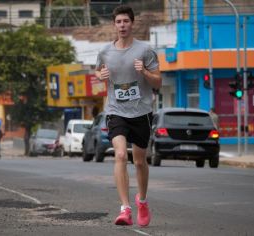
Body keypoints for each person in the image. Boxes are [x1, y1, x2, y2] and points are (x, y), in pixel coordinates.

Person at [95, 5, 162, 227]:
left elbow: (158, 82)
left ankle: (142, 201)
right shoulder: (105, 52)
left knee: (140, 161)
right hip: (116, 111)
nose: (122, 25)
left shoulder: (145, 50)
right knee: (121, 155)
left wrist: (144, 72)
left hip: (141, 111)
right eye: (118, 22)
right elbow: (98, 71)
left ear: (132, 23)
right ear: (114, 25)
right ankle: (125, 208)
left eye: (126, 21)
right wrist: (100, 74)